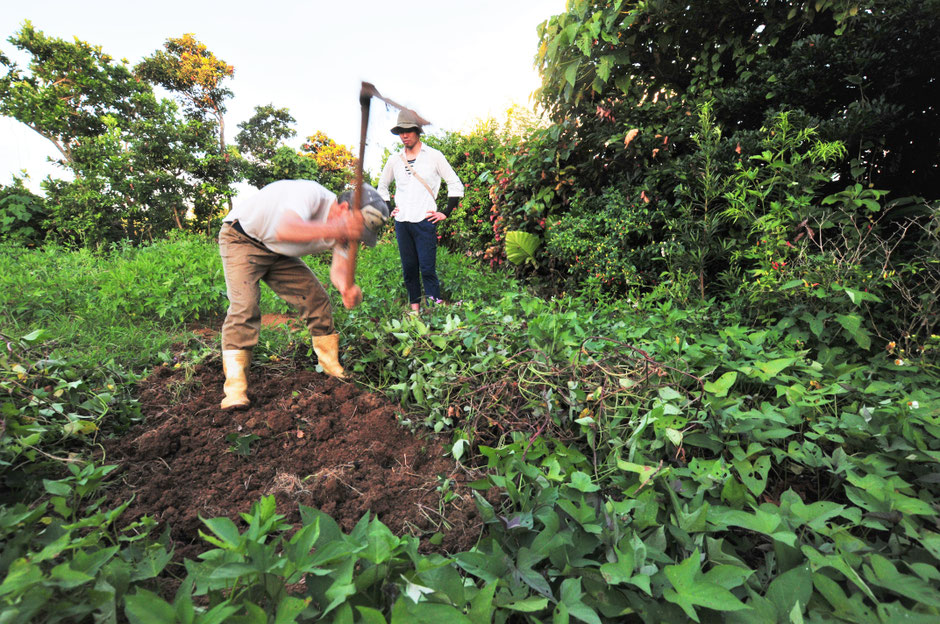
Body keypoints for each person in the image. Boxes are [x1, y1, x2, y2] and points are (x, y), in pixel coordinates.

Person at [217, 179, 389, 410]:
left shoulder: (344, 232)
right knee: (245, 306)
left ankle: (331, 368)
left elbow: (339, 270)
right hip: (242, 238)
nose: (354, 237)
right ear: (344, 209)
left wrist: (348, 289)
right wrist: (340, 229)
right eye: (357, 230)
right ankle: (235, 390)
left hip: (278, 252)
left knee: (317, 299)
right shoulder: (309, 194)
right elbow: (285, 229)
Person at [377, 109, 464, 313]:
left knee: (427, 269)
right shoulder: (394, 160)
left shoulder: (434, 156)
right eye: (400, 131)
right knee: (409, 269)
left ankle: (434, 310)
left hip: (425, 221)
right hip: (403, 222)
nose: (404, 135)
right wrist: (390, 208)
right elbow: (382, 186)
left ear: (417, 131)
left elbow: (455, 184)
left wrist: (446, 211)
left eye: (408, 130)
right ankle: (415, 311)